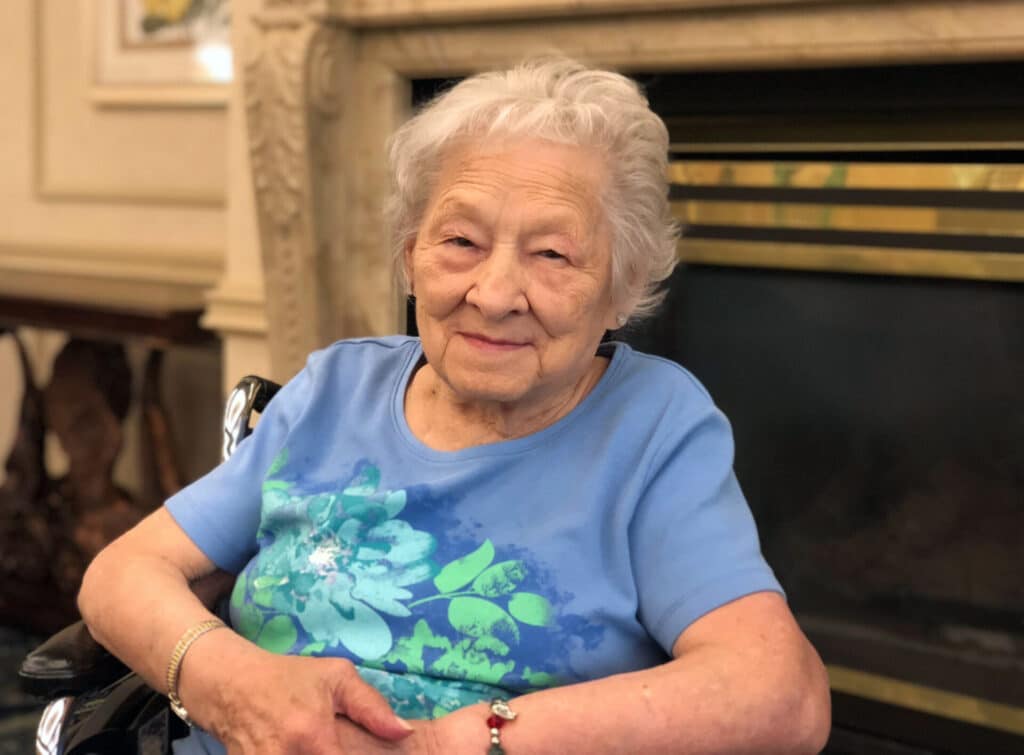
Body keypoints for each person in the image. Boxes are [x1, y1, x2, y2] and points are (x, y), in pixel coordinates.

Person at [78, 56, 831, 754]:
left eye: (553, 254)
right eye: (462, 241)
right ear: (410, 256)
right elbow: (122, 574)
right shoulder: (334, 391)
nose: (495, 294)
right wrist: (227, 682)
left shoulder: (652, 427)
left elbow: (783, 696)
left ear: (624, 290)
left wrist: (474, 740)